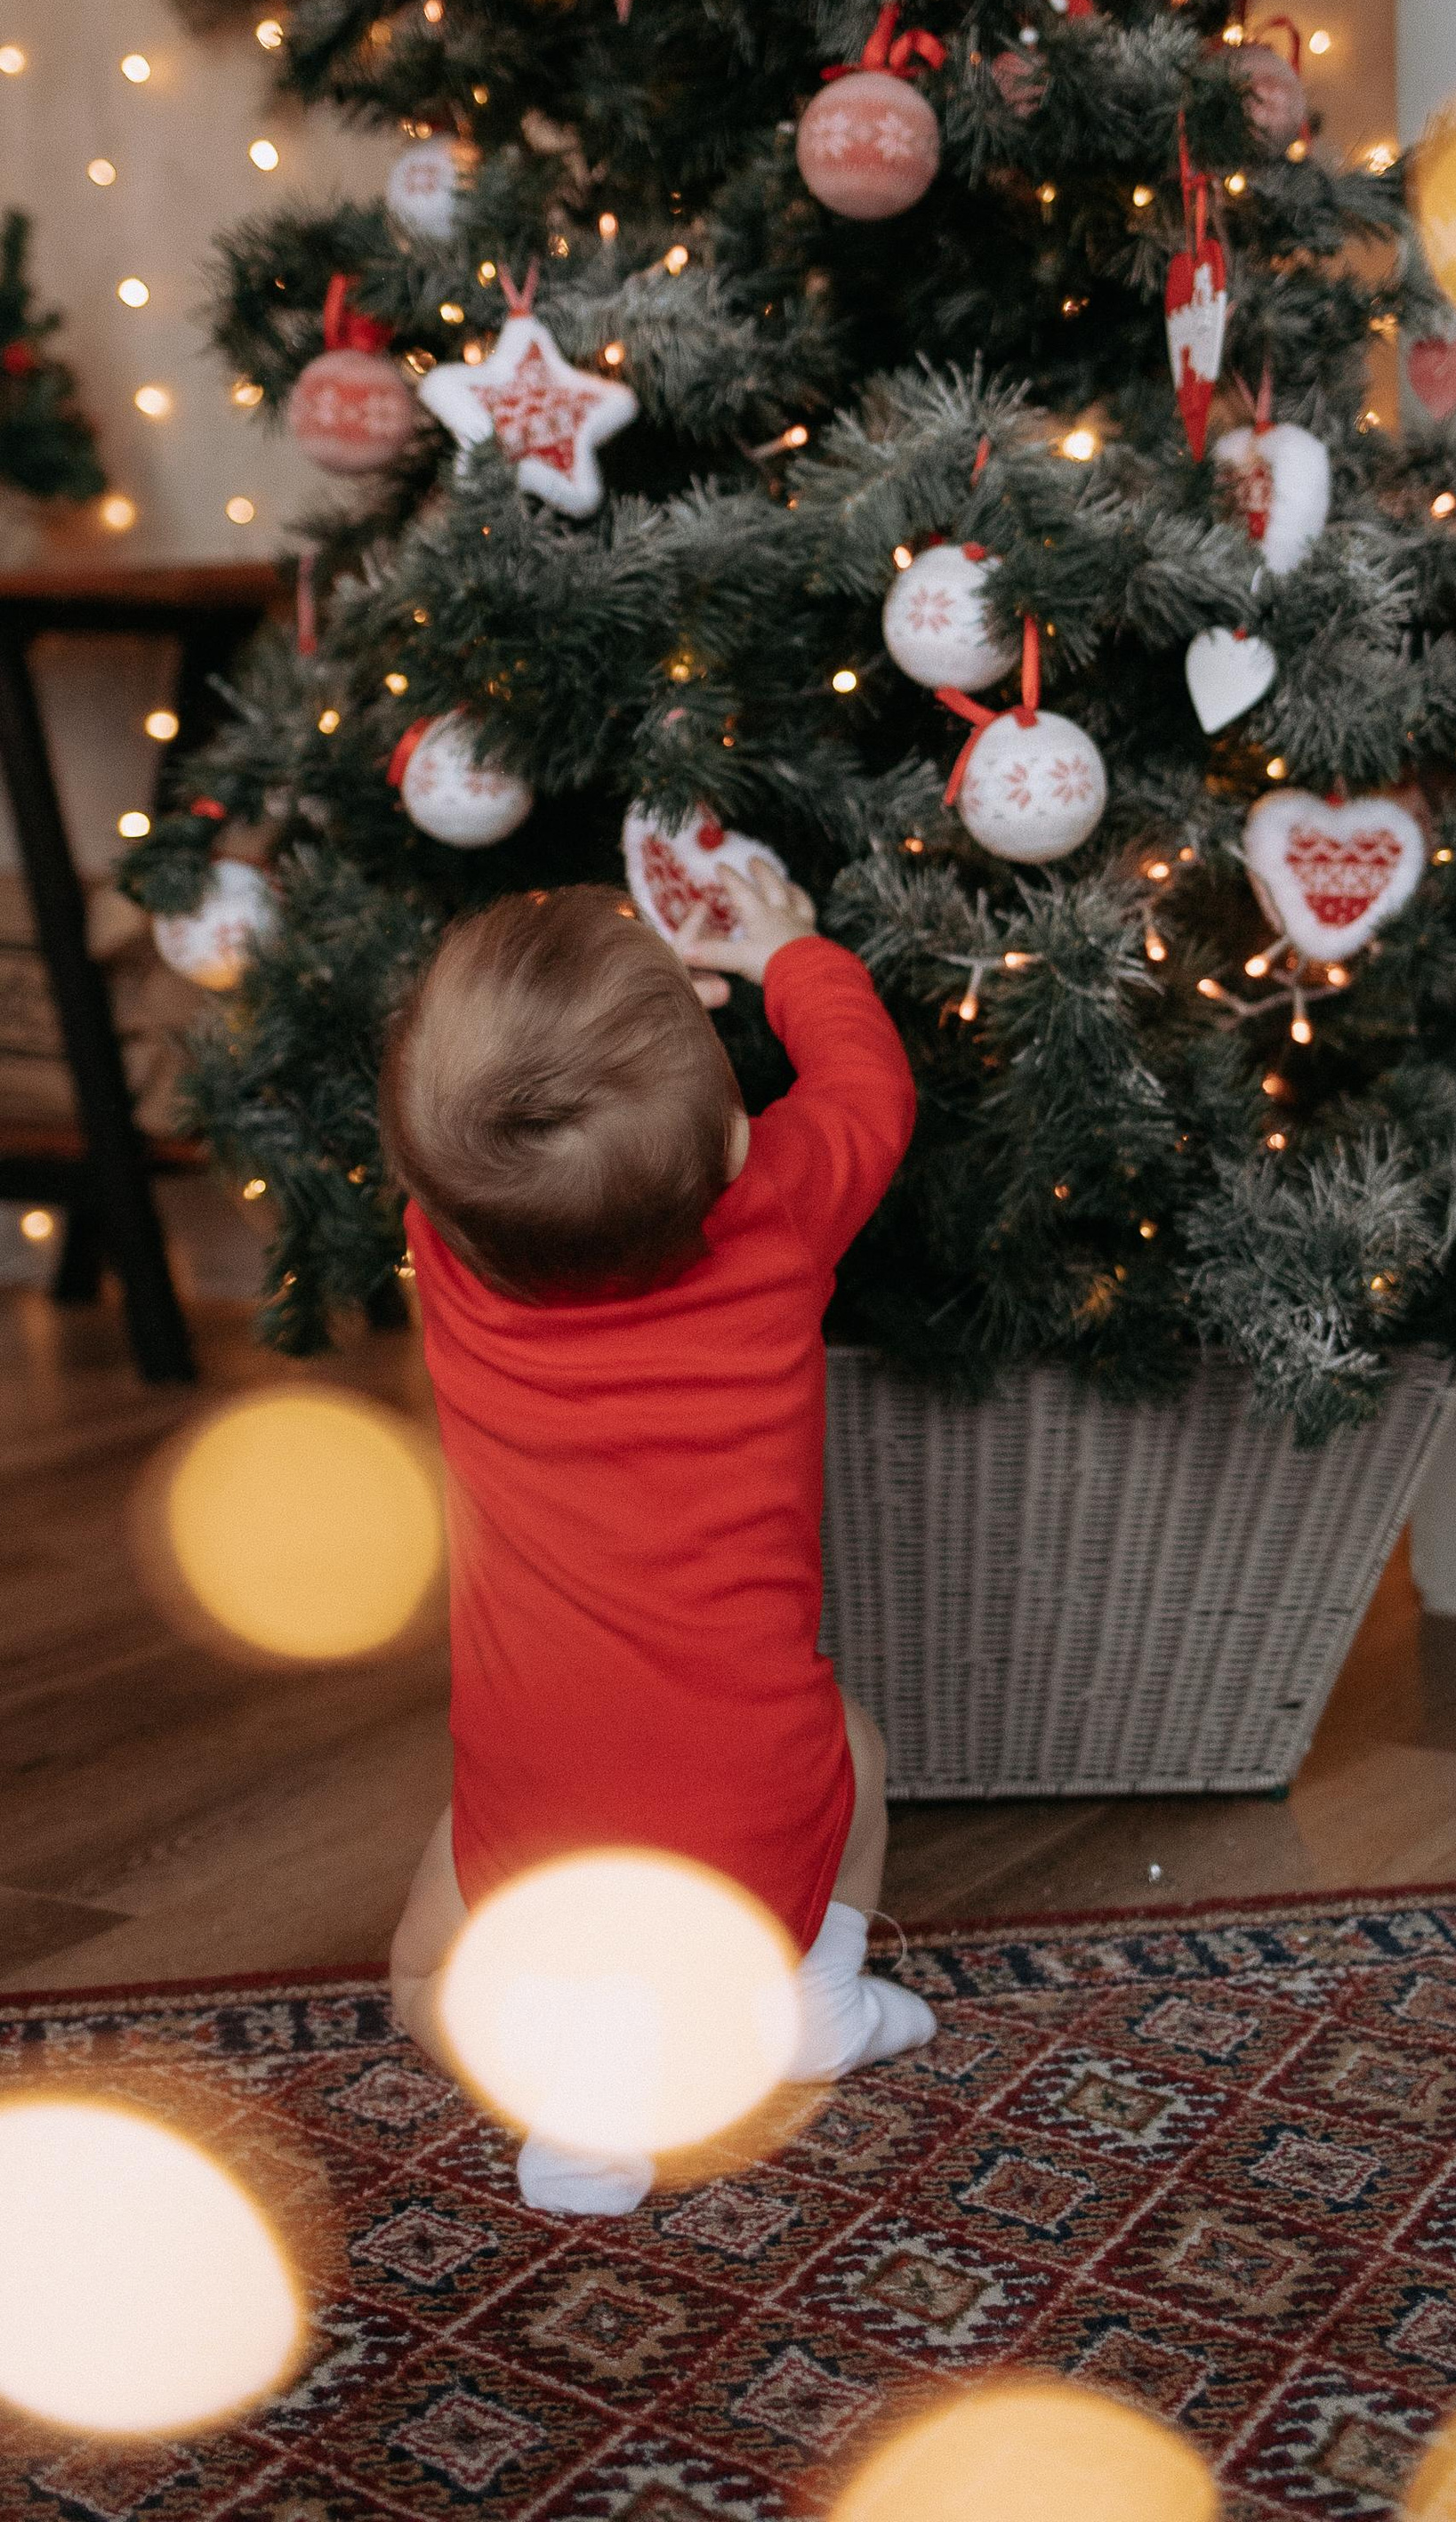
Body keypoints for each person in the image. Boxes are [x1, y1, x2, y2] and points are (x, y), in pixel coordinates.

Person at [379, 854, 934, 2215]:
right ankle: (815, 1998)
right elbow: (871, 1090)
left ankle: (575, 2110)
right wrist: (784, 956)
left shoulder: (450, 1258)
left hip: (534, 1811)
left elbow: (504, 1136)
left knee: (421, 1984)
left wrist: (623, 1054)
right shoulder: (777, 1214)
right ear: (733, 1143)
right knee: (855, 1744)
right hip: (769, 1790)